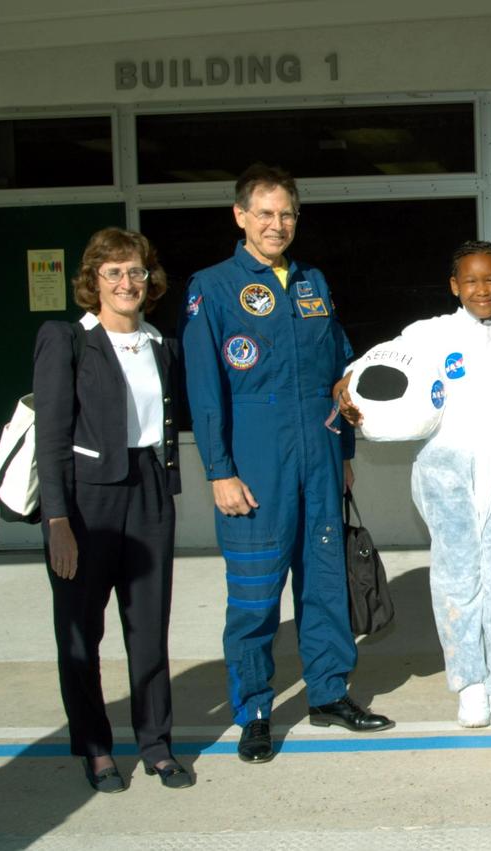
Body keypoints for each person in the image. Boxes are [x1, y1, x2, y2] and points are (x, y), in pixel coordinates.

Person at [181, 163, 392, 765]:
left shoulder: (313, 282)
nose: (277, 225)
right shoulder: (213, 287)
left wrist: (344, 455)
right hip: (255, 467)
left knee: (324, 586)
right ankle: (253, 712)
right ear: (240, 216)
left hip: (320, 461)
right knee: (254, 597)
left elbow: (340, 376)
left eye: (287, 214)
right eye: (265, 214)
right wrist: (218, 470)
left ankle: (329, 694)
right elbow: (204, 389)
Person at [340, 241, 491, 728]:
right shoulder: (430, 334)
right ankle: (470, 684)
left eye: (490, 279)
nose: (481, 289)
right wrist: (344, 385)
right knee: (456, 581)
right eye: (469, 281)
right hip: (446, 476)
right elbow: (367, 368)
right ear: (454, 286)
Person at [33, 227, 192, 791]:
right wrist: (58, 521)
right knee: (80, 632)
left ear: (150, 281)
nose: (127, 282)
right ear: (93, 281)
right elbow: (51, 437)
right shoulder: (67, 339)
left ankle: (156, 744)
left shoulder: (159, 342)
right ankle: (96, 749)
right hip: (86, 500)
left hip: (149, 489)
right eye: (114, 272)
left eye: (136, 271)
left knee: (149, 630)